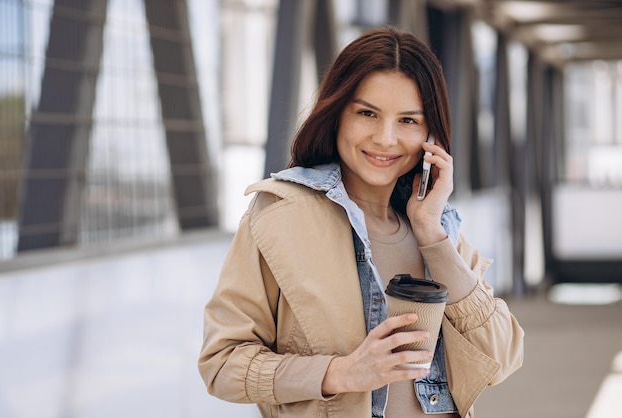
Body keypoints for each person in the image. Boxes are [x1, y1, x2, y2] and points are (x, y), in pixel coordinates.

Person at [198, 27, 524, 418]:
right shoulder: (279, 216)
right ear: (336, 114)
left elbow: (502, 358)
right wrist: (340, 373)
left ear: (430, 134)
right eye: (367, 113)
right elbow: (222, 364)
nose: (386, 138)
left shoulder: (442, 230)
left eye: (407, 120)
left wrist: (431, 234)